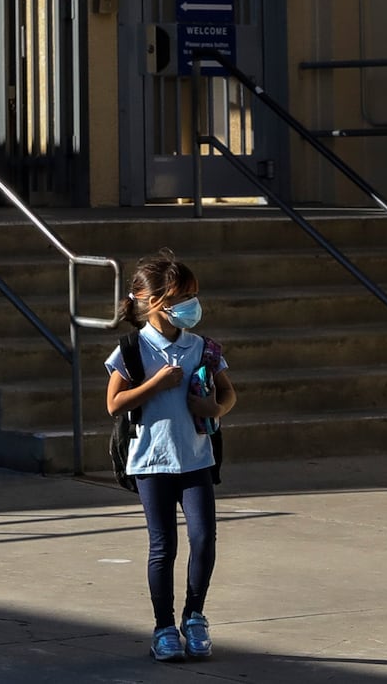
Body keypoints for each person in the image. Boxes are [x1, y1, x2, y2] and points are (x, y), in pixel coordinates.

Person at [105, 249, 237, 663]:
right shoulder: (132, 349)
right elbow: (114, 403)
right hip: (151, 462)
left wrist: (216, 409)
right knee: (163, 547)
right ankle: (163, 627)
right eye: (183, 297)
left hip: (196, 459)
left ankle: (194, 617)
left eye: (193, 296)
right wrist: (156, 383)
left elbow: (228, 393)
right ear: (155, 302)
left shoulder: (202, 347)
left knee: (203, 540)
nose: (191, 306)